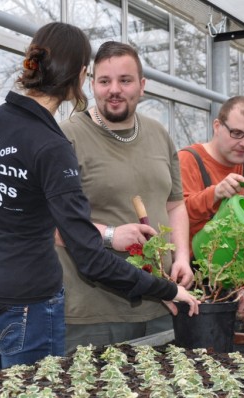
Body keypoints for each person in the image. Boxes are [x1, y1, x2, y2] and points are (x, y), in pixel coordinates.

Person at [0, 23, 199, 378]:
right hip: (27, 309)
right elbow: (89, 257)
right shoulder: (52, 145)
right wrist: (165, 288)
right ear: (81, 77)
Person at [56, 41, 193, 352]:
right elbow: (49, 222)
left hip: (163, 304)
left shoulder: (159, 134)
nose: (113, 89)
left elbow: (175, 204)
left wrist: (182, 257)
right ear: (92, 84)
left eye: (125, 80)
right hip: (95, 313)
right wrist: (109, 235)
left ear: (142, 86)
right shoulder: (67, 137)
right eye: (104, 81)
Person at [179, 95, 244, 312]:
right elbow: (176, 218)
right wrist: (215, 194)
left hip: (234, 289)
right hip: (191, 287)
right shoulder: (188, 160)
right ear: (217, 126)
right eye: (236, 133)